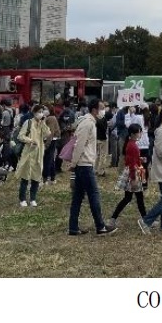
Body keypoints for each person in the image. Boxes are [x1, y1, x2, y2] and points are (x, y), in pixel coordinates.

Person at [66, 99, 117, 236]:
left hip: (84, 164)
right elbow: (79, 144)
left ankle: (73, 227)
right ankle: (100, 227)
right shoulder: (87, 123)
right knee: (93, 195)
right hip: (84, 165)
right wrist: (74, 163)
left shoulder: (90, 123)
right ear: (94, 109)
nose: (103, 110)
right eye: (101, 108)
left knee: (77, 197)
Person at [111, 122, 148, 225]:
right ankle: (146, 219)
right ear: (132, 133)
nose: (140, 134)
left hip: (134, 172)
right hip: (134, 173)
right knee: (135, 198)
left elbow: (132, 159)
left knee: (129, 198)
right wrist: (133, 178)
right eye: (139, 132)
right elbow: (131, 163)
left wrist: (140, 159)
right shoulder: (132, 145)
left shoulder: (131, 144)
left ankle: (113, 218)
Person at [14, 105, 48, 208]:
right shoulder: (28, 122)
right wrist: (29, 140)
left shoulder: (42, 123)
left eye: (42, 111)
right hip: (28, 153)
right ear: (34, 113)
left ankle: (33, 198)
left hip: (39, 153)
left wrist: (43, 123)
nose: (41, 113)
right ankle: (22, 199)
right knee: (25, 176)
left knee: (36, 177)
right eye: (39, 111)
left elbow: (47, 134)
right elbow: (20, 136)